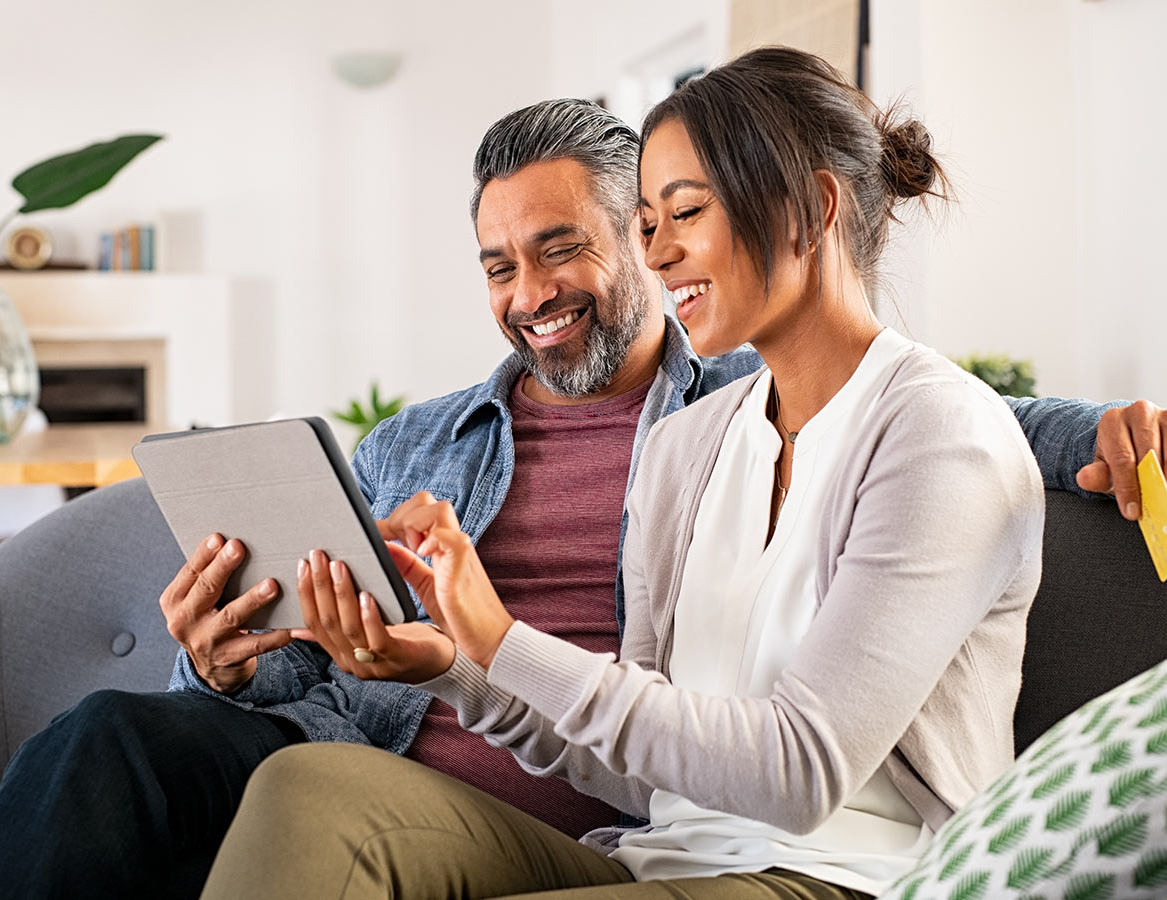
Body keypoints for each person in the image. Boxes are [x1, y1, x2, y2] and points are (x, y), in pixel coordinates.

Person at [0, 90, 1166, 900]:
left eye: (570, 245)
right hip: (536, 797)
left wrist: (1105, 432)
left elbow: (946, 420)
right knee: (137, 743)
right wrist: (244, 661)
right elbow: (348, 662)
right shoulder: (475, 444)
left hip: (757, 841)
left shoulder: (750, 399)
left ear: (634, 239)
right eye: (498, 264)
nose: (531, 290)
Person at [197, 46, 1065, 900]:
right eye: (647, 224)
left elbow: (803, 772)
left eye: (685, 214)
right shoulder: (689, 447)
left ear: (811, 207)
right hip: (664, 853)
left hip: (847, 875)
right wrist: (452, 667)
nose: (657, 254)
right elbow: (639, 777)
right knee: (307, 787)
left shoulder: (941, 437)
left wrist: (502, 639)